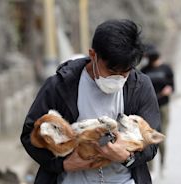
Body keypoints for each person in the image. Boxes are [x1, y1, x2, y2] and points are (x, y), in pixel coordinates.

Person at [21, 19, 161, 184]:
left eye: (125, 72)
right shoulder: (61, 85)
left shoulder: (140, 87)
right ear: (93, 55)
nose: (118, 78)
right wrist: (63, 164)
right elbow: (29, 134)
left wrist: (127, 157)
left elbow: (151, 142)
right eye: (111, 71)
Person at [141, 44, 174, 171]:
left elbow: (172, 86)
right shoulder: (145, 70)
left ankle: (162, 163)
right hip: (149, 108)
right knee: (149, 137)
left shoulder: (166, 69)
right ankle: (150, 168)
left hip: (163, 106)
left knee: (161, 137)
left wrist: (168, 90)